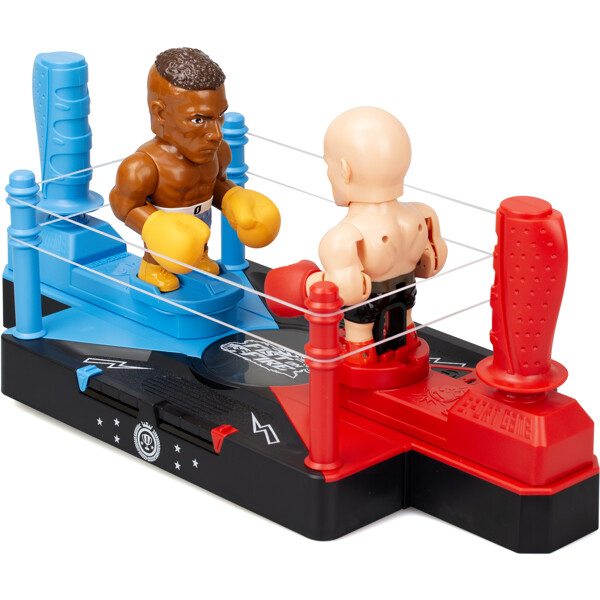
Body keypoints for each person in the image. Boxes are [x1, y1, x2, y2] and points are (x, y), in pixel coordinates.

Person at [110, 47, 280, 292]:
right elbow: (123, 206)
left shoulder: (219, 152)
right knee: (172, 245)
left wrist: (234, 199)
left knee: (196, 243)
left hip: (200, 234)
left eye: (220, 116)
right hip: (162, 249)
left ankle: (201, 257)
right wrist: (155, 225)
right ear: (160, 113)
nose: (216, 134)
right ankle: (152, 268)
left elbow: (215, 184)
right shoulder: (143, 166)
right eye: (199, 120)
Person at [305, 107, 448, 365]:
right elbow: (430, 266)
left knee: (358, 335)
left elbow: (348, 293)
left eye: (328, 165)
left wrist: (310, 281)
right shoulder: (421, 215)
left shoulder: (343, 237)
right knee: (404, 325)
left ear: (344, 170)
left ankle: (361, 356)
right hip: (407, 292)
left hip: (365, 308)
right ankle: (408, 342)